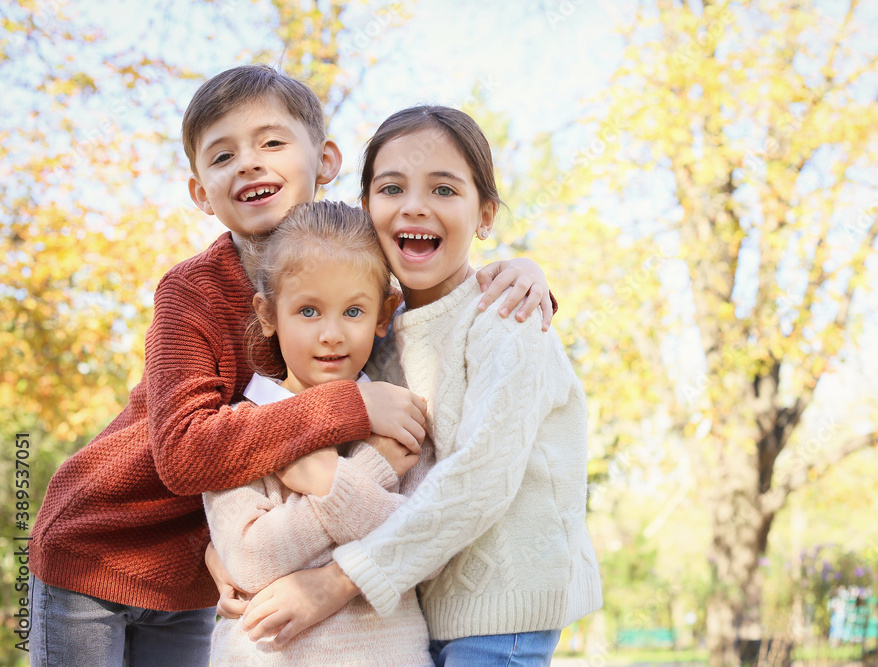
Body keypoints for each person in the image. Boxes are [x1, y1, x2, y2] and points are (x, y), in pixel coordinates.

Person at [28, 65, 552, 667]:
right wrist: (350, 406)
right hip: (98, 547)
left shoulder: (351, 267)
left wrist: (517, 278)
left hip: (207, 568)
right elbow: (185, 452)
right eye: (223, 155)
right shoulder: (190, 292)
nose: (250, 163)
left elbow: (428, 293)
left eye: (272, 142)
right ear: (201, 192)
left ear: (325, 160)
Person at [239, 106, 603, 666]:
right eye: (391, 187)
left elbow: (481, 478)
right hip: (415, 617)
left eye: (443, 188)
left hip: (500, 621)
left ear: (484, 213)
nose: (415, 205)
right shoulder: (374, 337)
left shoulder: (507, 316)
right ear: (367, 210)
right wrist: (222, 559)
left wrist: (335, 583)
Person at [205, 200, 436, 666]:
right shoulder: (241, 427)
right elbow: (249, 561)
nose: (331, 334)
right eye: (308, 311)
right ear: (268, 314)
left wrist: (330, 481)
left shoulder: (401, 415)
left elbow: (427, 541)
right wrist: (366, 473)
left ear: (384, 313)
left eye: (353, 311)